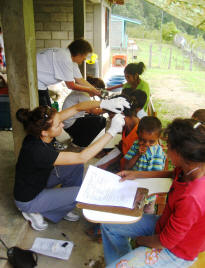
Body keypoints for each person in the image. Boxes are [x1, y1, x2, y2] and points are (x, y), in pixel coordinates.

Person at [101, 118, 205, 267]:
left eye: (168, 147)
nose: (166, 151)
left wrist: (140, 241)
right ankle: (126, 260)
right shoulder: (190, 168)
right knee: (108, 225)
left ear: (180, 153)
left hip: (176, 251)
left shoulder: (193, 196)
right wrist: (135, 174)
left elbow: (165, 242)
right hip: (163, 226)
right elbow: (170, 173)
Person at [14, 97, 129, 231]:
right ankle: (33, 210)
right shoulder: (38, 151)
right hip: (29, 198)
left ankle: (63, 206)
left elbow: (77, 108)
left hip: (39, 180)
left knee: (75, 167)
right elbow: (82, 156)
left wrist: (104, 103)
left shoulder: (41, 127)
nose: (62, 125)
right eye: (58, 125)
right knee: (81, 193)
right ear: (44, 132)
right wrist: (111, 132)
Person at [37, 38, 101, 107]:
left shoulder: (70, 59)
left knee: (48, 111)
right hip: (35, 82)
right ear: (79, 54)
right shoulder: (65, 59)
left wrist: (95, 90)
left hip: (42, 84)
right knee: (44, 113)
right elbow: (70, 85)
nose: (85, 59)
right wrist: (90, 90)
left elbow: (80, 80)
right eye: (84, 56)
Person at [62, 76, 106, 147]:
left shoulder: (81, 91)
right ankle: (81, 142)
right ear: (93, 87)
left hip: (68, 122)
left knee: (94, 118)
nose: (96, 94)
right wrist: (108, 109)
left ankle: (78, 138)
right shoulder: (84, 94)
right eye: (97, 91)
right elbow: (94, 111)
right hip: (70, 124)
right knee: (101, 120)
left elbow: (89, 110)